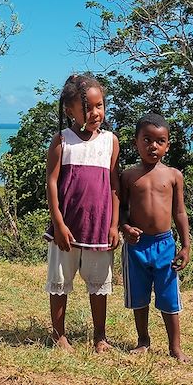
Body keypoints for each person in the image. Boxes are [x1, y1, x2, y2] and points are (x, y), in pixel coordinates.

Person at [45, 73, 120, 353]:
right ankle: (58, 335)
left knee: (99, 284)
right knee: (60, 282)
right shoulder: (61, 141)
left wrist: (114, 225)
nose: (95, 113)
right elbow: (52, 183)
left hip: (99, 227)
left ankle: (100, 337)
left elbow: (114, 186)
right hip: (67, 228)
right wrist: (58, 223)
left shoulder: (110, 142)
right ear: (70, 111)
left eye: (99, 105)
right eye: (87, 108)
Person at [120, 112, 191, 362]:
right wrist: (125, 228)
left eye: (160, 141)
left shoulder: (173, 175)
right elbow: (121, 209)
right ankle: (143, 341)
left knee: (169, 296)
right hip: (137, 247)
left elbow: (180, 211)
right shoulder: (128, 176)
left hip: (165, 245)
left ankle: (175, 347)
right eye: (147, 140)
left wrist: (185, 245)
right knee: (139, 297)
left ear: (167, 145)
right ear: (136, 143)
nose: (153, 146)